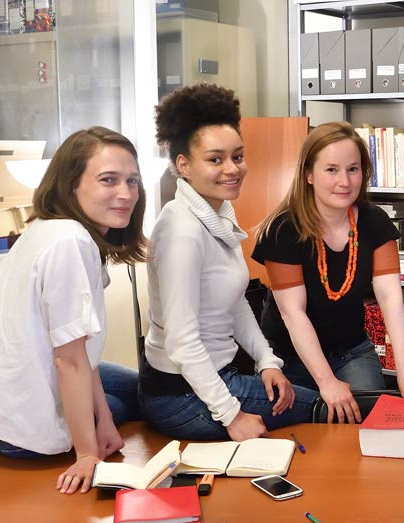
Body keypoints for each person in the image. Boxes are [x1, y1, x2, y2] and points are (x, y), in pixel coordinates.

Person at [0, 126, 147, 494]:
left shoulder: (47, 228)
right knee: (149, 401)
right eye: (109, 180)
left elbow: (81, 352)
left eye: (133, 181)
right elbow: (69, 361)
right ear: (70, 184)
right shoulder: (70, 241)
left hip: (0, 407)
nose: (126, 194)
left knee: (137, 390)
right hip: (23, 432)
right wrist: (88, 453)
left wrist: (103, 420)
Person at [141, 83, 317, 441]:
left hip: (211, 380)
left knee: (307, 394)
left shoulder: (217, 214)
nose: (232, 169)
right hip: (183, 395)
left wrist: (266, 360)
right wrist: (233, 416)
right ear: (183, 165)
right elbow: (182, 343)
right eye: (215, 159)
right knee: (324, 409)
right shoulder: (182, 232)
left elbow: (235, 303)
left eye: (237, 156)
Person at [252, 121, 404, 424]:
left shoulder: (374, 221)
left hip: (350, 349)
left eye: (353, 169)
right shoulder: (284, 229)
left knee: (365, 427)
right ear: (309, 174)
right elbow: (293, 314)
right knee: (303, 436)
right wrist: (327, 383)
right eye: (331, 170)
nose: (344, 181)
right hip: (290, 356)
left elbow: (391, 297)